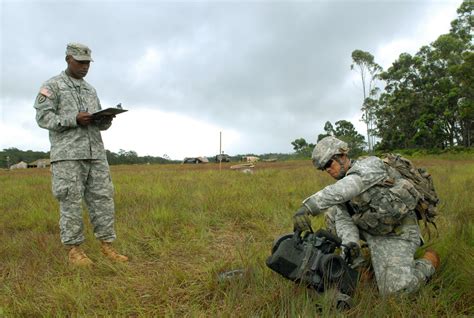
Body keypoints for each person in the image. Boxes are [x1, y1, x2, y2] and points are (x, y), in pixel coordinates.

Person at [293, 136, 440, 295]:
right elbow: (344, 219)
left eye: (329, 163)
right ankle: (360, 268)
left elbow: (349, 187)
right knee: (333, 213)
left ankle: (429, 261)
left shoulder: (370, 166)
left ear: (342, 156)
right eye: (323, 168)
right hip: (371, 228)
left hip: (396, 232)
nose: (328, 169)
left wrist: (308, 206)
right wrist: (351, 244)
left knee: (396, 292)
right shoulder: (343, 186)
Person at [34, 43, 128, 266]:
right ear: (68, 59)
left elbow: (96, 123)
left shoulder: (90, 90)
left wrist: (104, 119)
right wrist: (73, 119)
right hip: (67, 156)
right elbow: (43, 118)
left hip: (95, 154)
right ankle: (74, 250)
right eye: (80, 62)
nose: (85, 67)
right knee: (70, 201)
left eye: (88, 63)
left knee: (103, 199)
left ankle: (107, 246)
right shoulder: (52, 86)